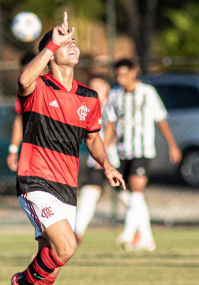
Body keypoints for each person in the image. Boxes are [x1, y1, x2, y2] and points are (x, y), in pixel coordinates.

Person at [11, 12, 125, 285]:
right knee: (67, 247)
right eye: (64, 42)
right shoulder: (38, 88)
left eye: (73, 41)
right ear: (50, 54)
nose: (72, 45)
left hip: (66, 184)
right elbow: (24, 81)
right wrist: (51, 44)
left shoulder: (89, 96)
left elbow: (93, 138)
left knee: (51, 266)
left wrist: (107, 165)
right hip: (35, 181)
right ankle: (21, 282)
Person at [104, 58, 182, 252]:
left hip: (143, 150)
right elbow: (110, 125)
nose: (121, 79)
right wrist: (103, 152)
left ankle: (128, 234)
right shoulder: (114, 95)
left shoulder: (147, 93)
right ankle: (147, 238)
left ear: (133, 72)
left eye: (124, 74)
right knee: (126, 193)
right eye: (118, 75)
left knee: (136, 189)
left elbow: (161, 120)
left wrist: (172, 145)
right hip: (122, 151)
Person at [74, 77, 131, 243]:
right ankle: (77, 232)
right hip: (98, 161)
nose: (94, 89)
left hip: (115, 159)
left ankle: (140, 231)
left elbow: (115, 130)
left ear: (107, 88)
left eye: (98, 86)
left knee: (129, 197)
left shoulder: (113, 106)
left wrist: (104, 150)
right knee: (88, 194)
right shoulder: (91, 106)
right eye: (92, 86)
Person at [7, 52, 37, 172]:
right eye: (22, 72)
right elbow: (20, 119)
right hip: (33, 148)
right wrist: (13, 149)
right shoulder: (23, 90)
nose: (25, 75)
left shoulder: (54, 85)